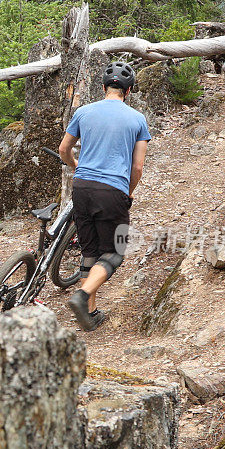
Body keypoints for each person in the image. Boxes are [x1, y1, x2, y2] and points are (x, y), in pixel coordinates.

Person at [58, 61, 150, 331]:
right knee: (114, 253)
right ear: (129, 90)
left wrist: (77, 169)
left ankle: (90, 314)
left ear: (103, 87)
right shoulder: (138, 119)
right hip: (113, 190)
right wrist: (128, 193)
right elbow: (137, 167)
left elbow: (65, 149)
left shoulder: (84, 112)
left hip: (82, 188)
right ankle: (83, 296)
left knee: (90, 252)